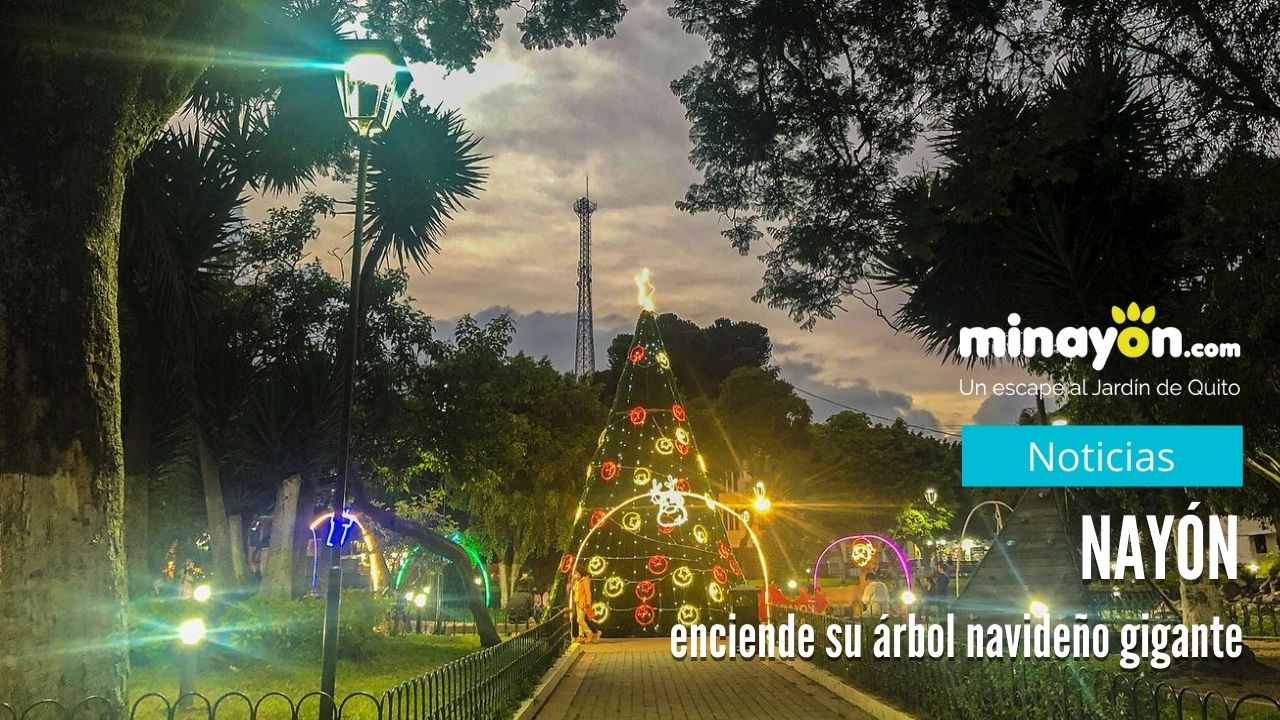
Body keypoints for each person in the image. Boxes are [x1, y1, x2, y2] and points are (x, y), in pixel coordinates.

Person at [570, 571, 602, 642]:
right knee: (580, 621)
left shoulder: (584, 580)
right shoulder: (576, 582)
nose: (575, 575)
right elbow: (574, 591)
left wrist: (588, 602)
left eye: (577, 574)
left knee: (580, 619)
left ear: (580, 574)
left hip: (583, 603)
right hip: (577, 602)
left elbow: (588, 592)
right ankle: (581, 635)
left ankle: (590, 634)